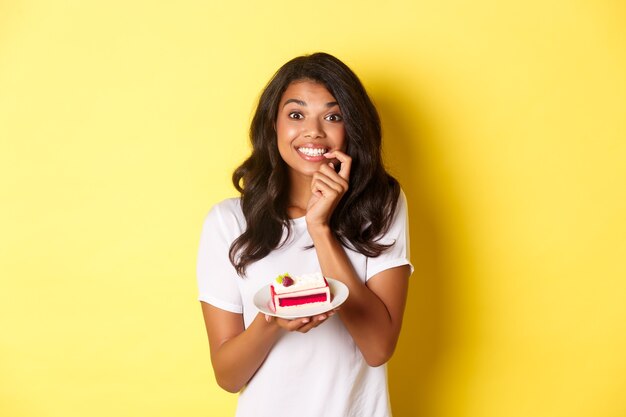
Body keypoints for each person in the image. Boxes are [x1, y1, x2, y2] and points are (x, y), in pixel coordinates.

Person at [197, 52, 412, 417]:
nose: (313, 131)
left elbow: (377, 348)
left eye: (332, 116)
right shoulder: (229, 222)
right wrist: (273, 321)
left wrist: (320, 227)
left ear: (351, 128)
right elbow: (228, 375)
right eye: (296, 115)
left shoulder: (382, 205)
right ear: (273, 126)